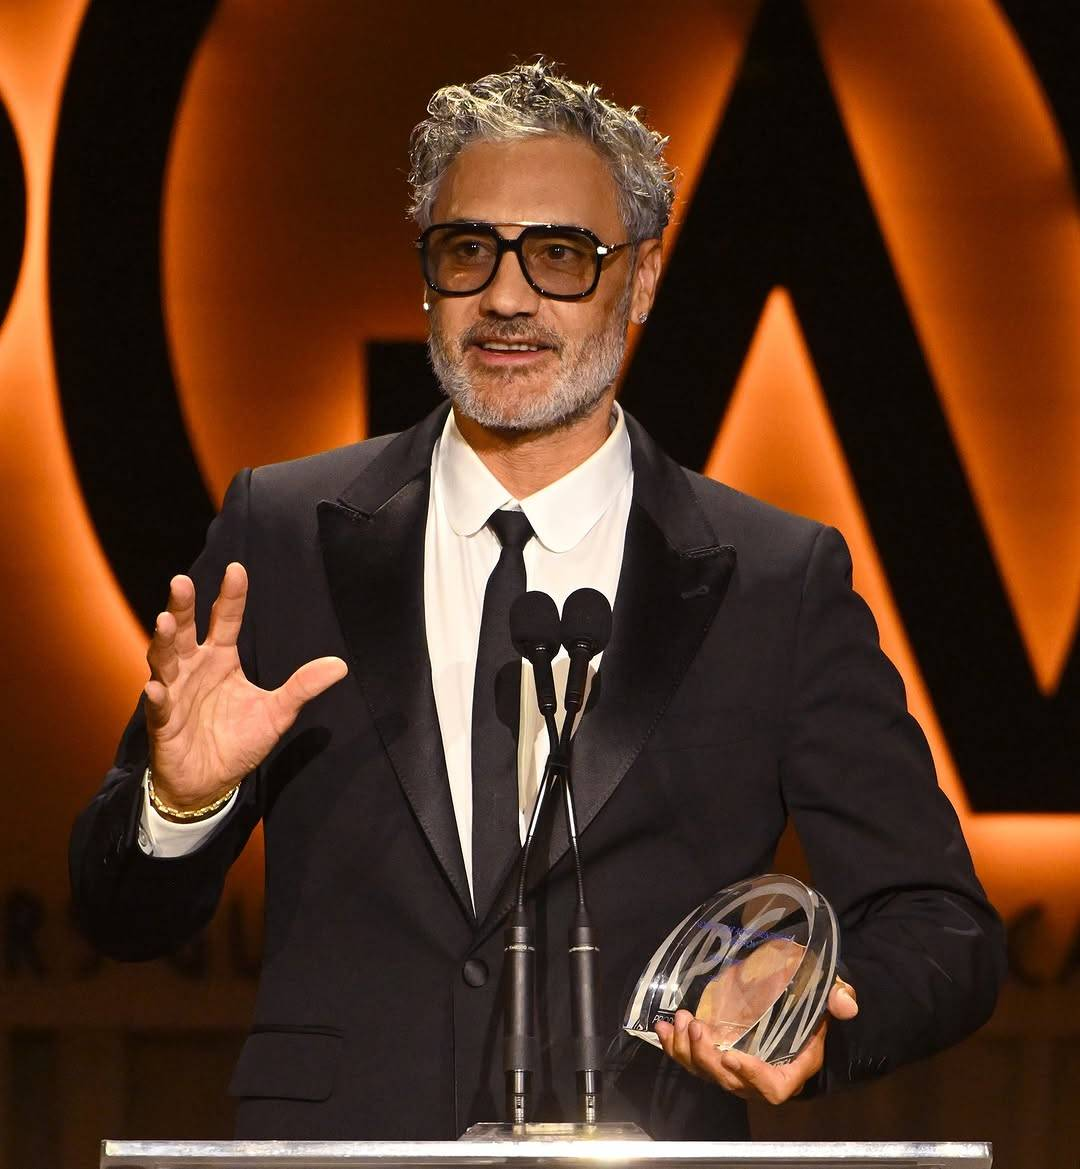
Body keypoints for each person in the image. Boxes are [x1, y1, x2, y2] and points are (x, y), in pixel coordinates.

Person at [70, 61, 1005, 1140]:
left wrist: (811, 1006)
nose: (507, 297)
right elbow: (116, 914)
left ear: (642, 280)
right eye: (470, 251)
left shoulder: (772, 578)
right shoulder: (282, 533)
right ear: (428, 278)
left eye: (560, 255)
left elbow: (943, 926)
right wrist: (179, 807)